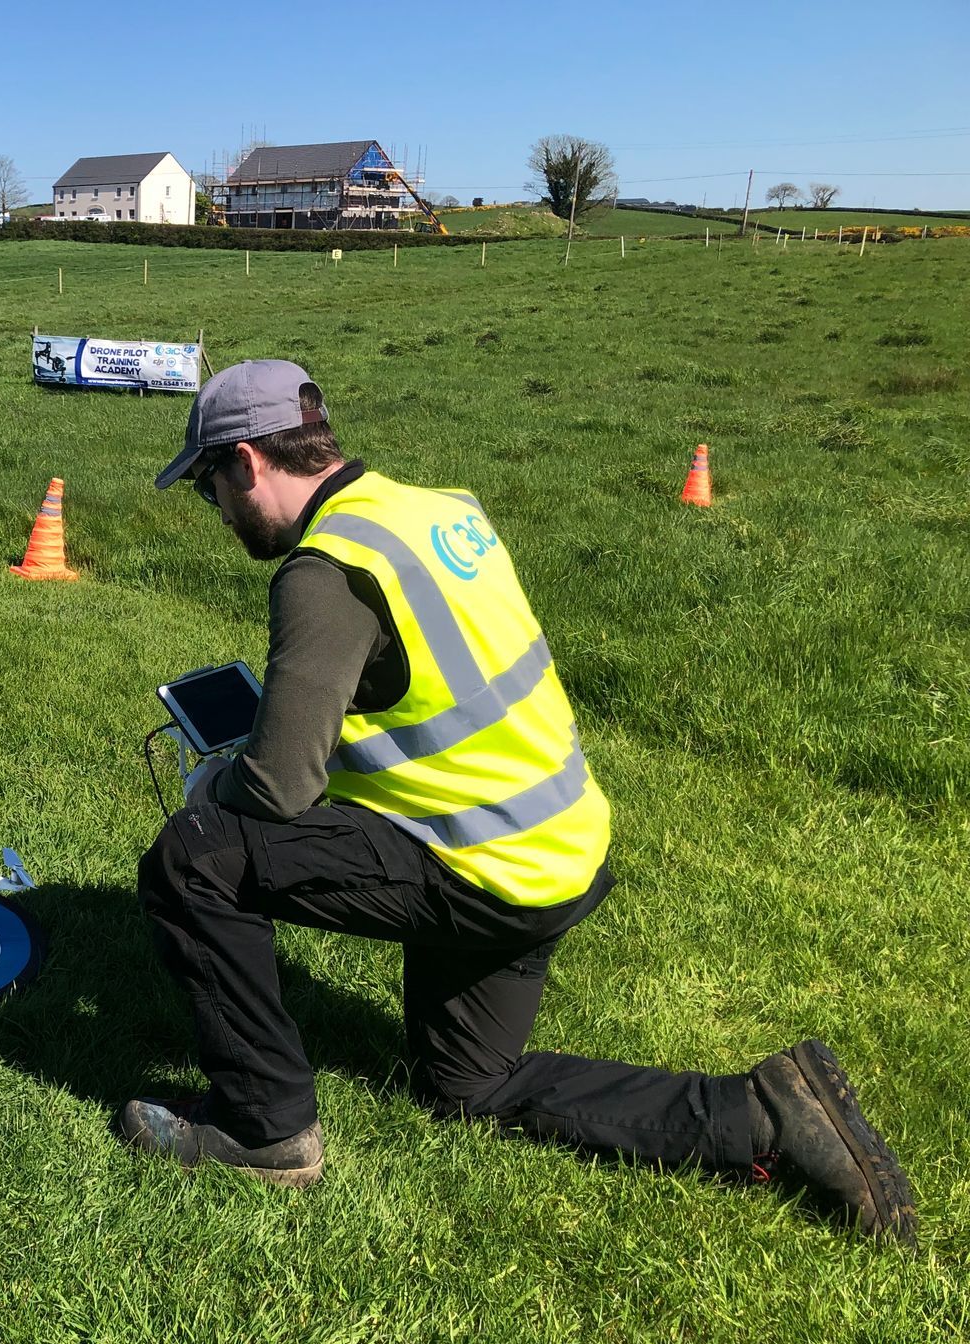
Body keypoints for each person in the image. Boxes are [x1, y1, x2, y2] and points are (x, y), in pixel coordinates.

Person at [126, 358, 916, 1242]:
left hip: (479, 867)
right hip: (555, 853)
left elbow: (278, 786)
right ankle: (762, 1114)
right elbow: (424, 696)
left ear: (246, 461)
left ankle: (265, 1131)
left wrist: (216, 781)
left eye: (209, 491)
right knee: (466, 1089)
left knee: (194, 854)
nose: (221, 516)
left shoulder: (326, 568)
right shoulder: (436, 510)